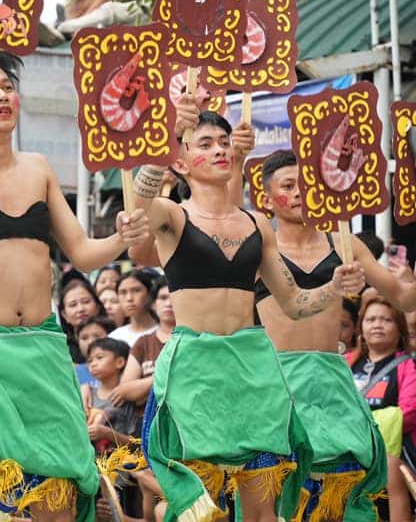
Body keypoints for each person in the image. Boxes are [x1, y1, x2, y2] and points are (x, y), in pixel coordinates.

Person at [0, 47, 150, 522]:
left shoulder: (38, 166)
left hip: (40, 351)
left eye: (8, 87)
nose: (2, 97)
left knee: (56, 498)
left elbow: (81, 251)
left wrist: (121, 237)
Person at [133, 110, 365, 522]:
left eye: (223, 142)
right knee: (202, 505)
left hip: (253, 369)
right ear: (181, 161)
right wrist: (169, 131)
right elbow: (139, 202)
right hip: (195, 370)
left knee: (261, 507)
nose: (219, 149)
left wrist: (335, 287)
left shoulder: (258, 222)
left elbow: (294, 302)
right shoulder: (172, 215)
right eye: (205, 143)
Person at [253, 149, 415, 521]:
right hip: (278, 384)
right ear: (266, 198)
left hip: (331, 383)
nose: (298, 193)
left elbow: (404, 297)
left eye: (306, 184)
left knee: (340, 490)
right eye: (288, 186)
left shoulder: (344, 243)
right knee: (280, 495)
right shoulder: (259, 248)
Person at [346, 295, 416, 522]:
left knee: (391, 465)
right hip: (348, 445)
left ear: (400, 328)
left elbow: (409, 411)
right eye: (371, 319)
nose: (377, 324)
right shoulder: (345, 362)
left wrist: (365, 431)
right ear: (361, 327)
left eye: (386, 320)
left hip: (392, 449)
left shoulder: (409, 363)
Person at [112, 281, 175, 411]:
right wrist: (167, 376)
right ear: (153, 304)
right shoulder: (144, 342)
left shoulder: (193, 340)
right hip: (148, 422)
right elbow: (124, 391)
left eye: (174, 298)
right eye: (163, 298)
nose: (169, 303)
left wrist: (144, 388)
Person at [86, 339, 140, 454]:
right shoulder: (86, 395)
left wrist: (107, 433)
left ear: (119, 362)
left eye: (99, 357)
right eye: (90, 360)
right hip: (90, 468)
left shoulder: (127, 398)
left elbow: (136, 444)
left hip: (119, 469)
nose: (93, 364)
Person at [109, 270, 159, 347]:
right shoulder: (114, 338)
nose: (129, 298)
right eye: (123, 292)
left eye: (136, 290)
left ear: (149, 294)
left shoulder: (164, 333)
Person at [59, 277, 104, 362]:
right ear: (64, 315)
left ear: (97, 307)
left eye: (86, 302)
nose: (80, 309)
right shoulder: (60, 348)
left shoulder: (113, 336)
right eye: (73, 305)